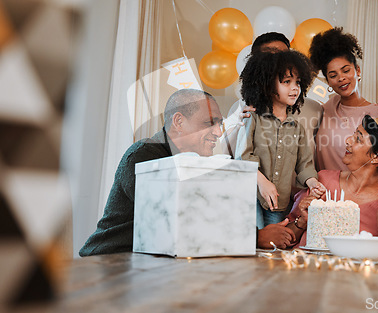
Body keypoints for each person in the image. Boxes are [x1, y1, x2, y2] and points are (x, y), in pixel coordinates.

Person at [80, 88, 295, 255]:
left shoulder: (194, 163)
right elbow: (181, 223)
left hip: (148, 265)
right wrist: (256, 237)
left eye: (219, 124)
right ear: (179, 121)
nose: (218, 132)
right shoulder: (143, 155)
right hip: (109, 262)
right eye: (209, 123)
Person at [235, 49, 326, 229]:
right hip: (250, 197)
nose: (295, 88)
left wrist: (313, 183)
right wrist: (262, 182)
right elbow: (242, 157)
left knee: (273, 250)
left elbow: (304, 164)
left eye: (298, 82)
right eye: (287, 82)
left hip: (278, 204)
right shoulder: (252, 119)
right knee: (253, 246)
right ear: (268, 85)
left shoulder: (297, 128)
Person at [285, 114, 378, 248]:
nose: (348, 140)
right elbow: (283, 239)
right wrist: (302, 221)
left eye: (358, 138)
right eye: (353, 134)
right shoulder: (322, 182)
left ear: (377, 157)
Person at [222, 32, 323, 157]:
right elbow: (227, 156)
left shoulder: (314, 110)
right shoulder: (240, 110)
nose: (278, 63)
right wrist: (240, 126)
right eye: (271, 57)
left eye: (285, 56)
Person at [309, 27, 378, 172]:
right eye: (333, 75)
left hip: (363, 193)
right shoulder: (323, 110)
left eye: (346, 70)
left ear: (357, 71)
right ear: (328, 81)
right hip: (325, 191)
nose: (341, 78)